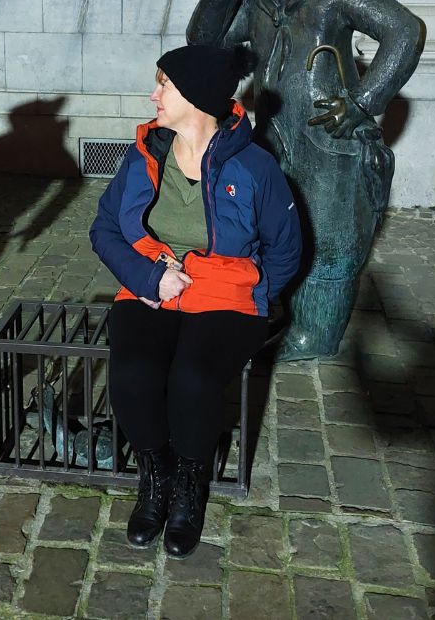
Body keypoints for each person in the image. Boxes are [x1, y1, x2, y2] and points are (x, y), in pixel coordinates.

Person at [187, 0, 425, 359]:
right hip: (274, 136)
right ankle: (284, 313)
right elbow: (203, 44)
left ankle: (316, 334)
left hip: (327, 141)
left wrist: (362, 103)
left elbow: (404, 30)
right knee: (279, 229)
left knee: (333, 241)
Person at [89, 44, 301, 558]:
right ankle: (155, 477)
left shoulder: (255, 168)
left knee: (193, 379)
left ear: (199, 97)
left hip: (227, 294)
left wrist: (253, 293)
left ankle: (189, 484)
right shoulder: (144, 156)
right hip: (151, 284)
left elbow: (287, 248)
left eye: (164, 85)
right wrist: (145, 277)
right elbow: (104, 228)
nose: (153, 95)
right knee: (134, 374)